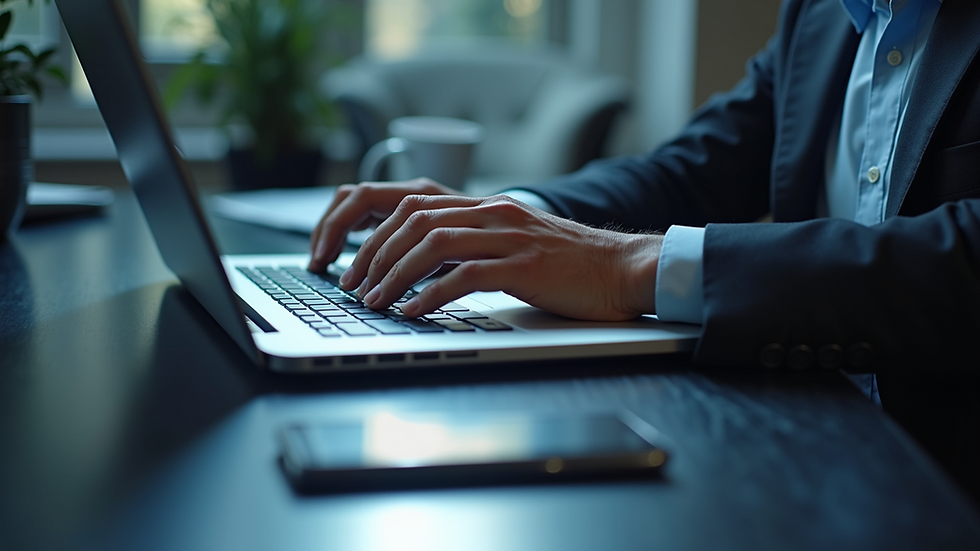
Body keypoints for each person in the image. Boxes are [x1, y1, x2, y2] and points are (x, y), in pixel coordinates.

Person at [309, 0, 980, 498]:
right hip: (805, 442)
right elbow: (695, 168)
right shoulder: (825, 12)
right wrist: (505, 217)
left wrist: (625, 264)